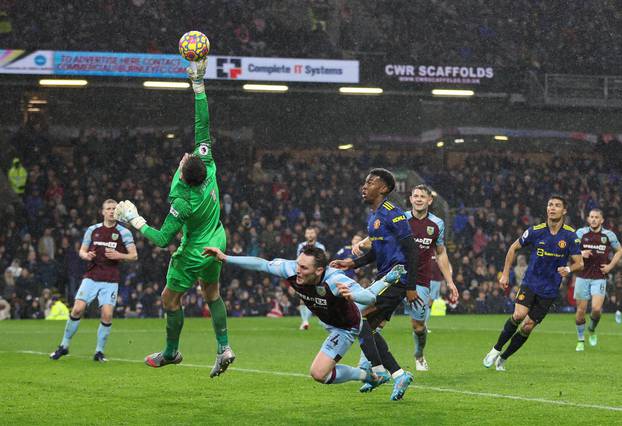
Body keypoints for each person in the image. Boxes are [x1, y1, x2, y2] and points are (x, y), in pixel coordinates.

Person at [114, 59, 233, 377]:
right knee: (212, 294)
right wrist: (198, 86)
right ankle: (224, 347)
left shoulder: (183, 200)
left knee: (169, 299)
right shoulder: (207, 166)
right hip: (217, 238)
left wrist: (135, 220)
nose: (185, 154)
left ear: (183, 171)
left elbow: (163, 239)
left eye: (184, 158)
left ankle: (170, 352)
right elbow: (202, 125)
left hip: (195, 250)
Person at [203, 244, 404, 391]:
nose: (298, 271)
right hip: (331, 316)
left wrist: (352, 295)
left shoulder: (335, 280)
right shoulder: (292, 269)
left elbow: (369, 298)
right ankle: (387, 279)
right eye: (298, 265)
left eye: (304, 268)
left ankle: (369, 375)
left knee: (319, 374)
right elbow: (261, 264)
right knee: (353, 303)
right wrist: (226, 257)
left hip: (345, 326)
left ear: (319, 270)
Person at [330, 168, 418, 400]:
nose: (364, 186)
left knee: (360, 321)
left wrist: (411, 286)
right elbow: (377, 253)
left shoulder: (392, 213)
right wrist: (353, 262)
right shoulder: (374, 218)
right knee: (366, 328)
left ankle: (381, 372)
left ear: (384, 188)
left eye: (370, 182)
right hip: (385, 277)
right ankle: (396, 374)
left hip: (397, 277)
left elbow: (411, 249)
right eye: (365, 182)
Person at [483, 196, 583, 371]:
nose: (552, 208)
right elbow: (513, 248)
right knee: (519, 315)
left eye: (557, 205)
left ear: (564, 211)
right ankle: (496, 349)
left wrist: (568, 270)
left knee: (528, 327)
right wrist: (505, 274)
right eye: (550, 205)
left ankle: (503, 358)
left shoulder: (570, 236)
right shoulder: (535, 231)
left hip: (550, 290)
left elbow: (579, 263)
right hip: (530, 283)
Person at [50, 199, 137, 362]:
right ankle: (64, 346)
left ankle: (99, 352)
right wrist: (86, 255)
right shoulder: (93, 230)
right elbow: (82, 251)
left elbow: (134, 255)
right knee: (77, 310)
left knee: (107, 315)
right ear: (102, 212)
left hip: (110, 280)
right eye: (108, 208)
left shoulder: (124, 232)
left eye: (114, 209)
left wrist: (120, 255)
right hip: (92, 277)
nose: (111, 211)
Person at [403, 184, 458, 370]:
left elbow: (441, 253)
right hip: (396, 276)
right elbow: (382, 237)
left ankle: (419, 355)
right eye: (415, 196)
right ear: (411, 199)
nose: (418, 199)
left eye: (422, 196)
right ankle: (369, 364)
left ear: (429, 200)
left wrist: (450, 281)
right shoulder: (401, 219)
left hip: (420, 280)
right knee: (376, 318)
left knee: (418, 326)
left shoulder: (437, 224)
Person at [574, 209, 622, 351]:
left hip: (599, 277)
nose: (594, 219)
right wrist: (581, 253)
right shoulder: (581, 233)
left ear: (602, 220)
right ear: (588, 219)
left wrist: (610, 266)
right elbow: (570, 250)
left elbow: (619, 250)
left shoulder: (608, 235)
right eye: (592, 217)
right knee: (581, 312)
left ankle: (592, 329)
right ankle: (581, 339)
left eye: (597, 217)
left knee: (596, 309)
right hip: (582, 276)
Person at [296, 227, 326, 330]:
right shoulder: (301, 246)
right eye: (308, 233)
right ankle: (305, 321)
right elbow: (298, 261)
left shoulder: (320, 247)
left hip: (317, 277)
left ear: (315, 234)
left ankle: (323, 319)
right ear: (305, 235)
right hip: (305, 276)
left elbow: (322, 262)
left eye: (312, 232)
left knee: (320, 299)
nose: (310, 235)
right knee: (303, 299)